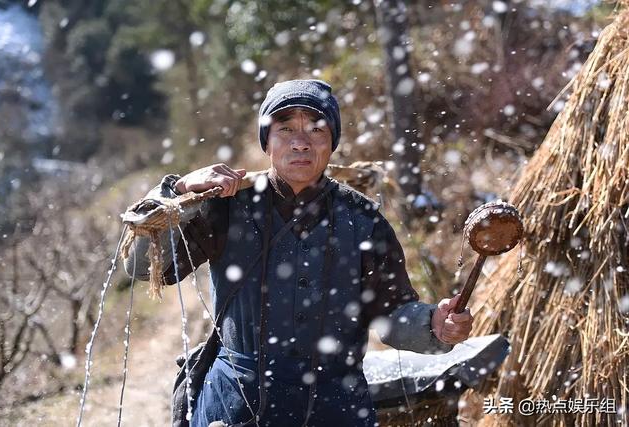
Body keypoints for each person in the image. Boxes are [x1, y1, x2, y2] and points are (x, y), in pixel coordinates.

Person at [124, 79, 473, 427]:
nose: (301, 143)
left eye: (316, 130)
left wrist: (433, 325)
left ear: (332, 141)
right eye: (285, 128)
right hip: (236, 404)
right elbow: (143, 268)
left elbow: (392, 315)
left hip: (335, 406)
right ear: (267, 141)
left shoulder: (363, 221)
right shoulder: (226, 207)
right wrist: (177, 189)